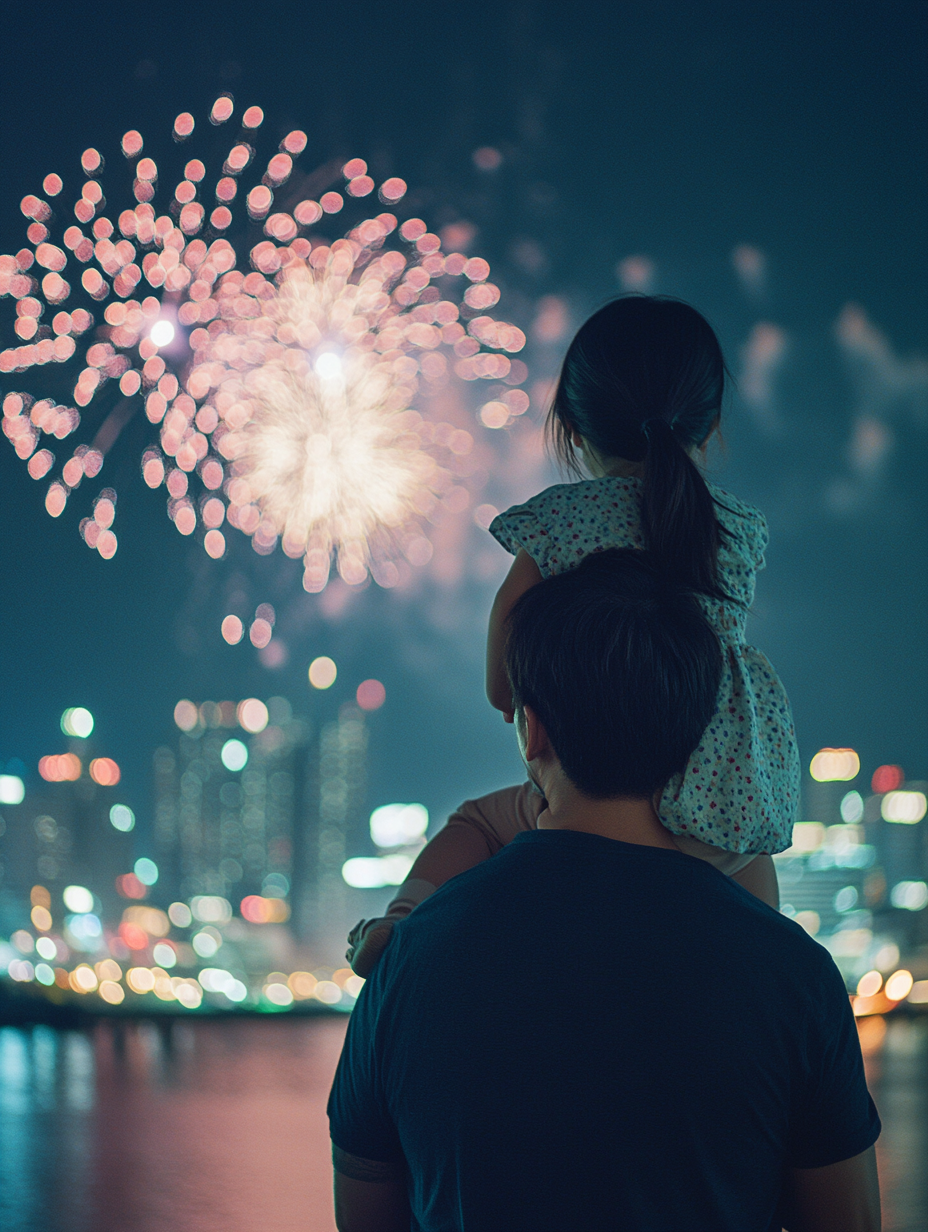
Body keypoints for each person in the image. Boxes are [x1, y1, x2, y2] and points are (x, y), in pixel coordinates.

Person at [329, 549, 880, 1231]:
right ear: (691, 736)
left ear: (534, 728)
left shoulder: (406, 964)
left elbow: (365, 1214)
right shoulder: (794, 976)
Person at [347, 295, 797, 975]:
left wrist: (509, 693)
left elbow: (505, 662)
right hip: (719, 810)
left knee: (476, 823)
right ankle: (772, 974)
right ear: (708, 429)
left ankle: (398, 925)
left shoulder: (561, 521)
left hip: (592, 794)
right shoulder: (734, 530)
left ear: (573, 429)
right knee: (766, 923)